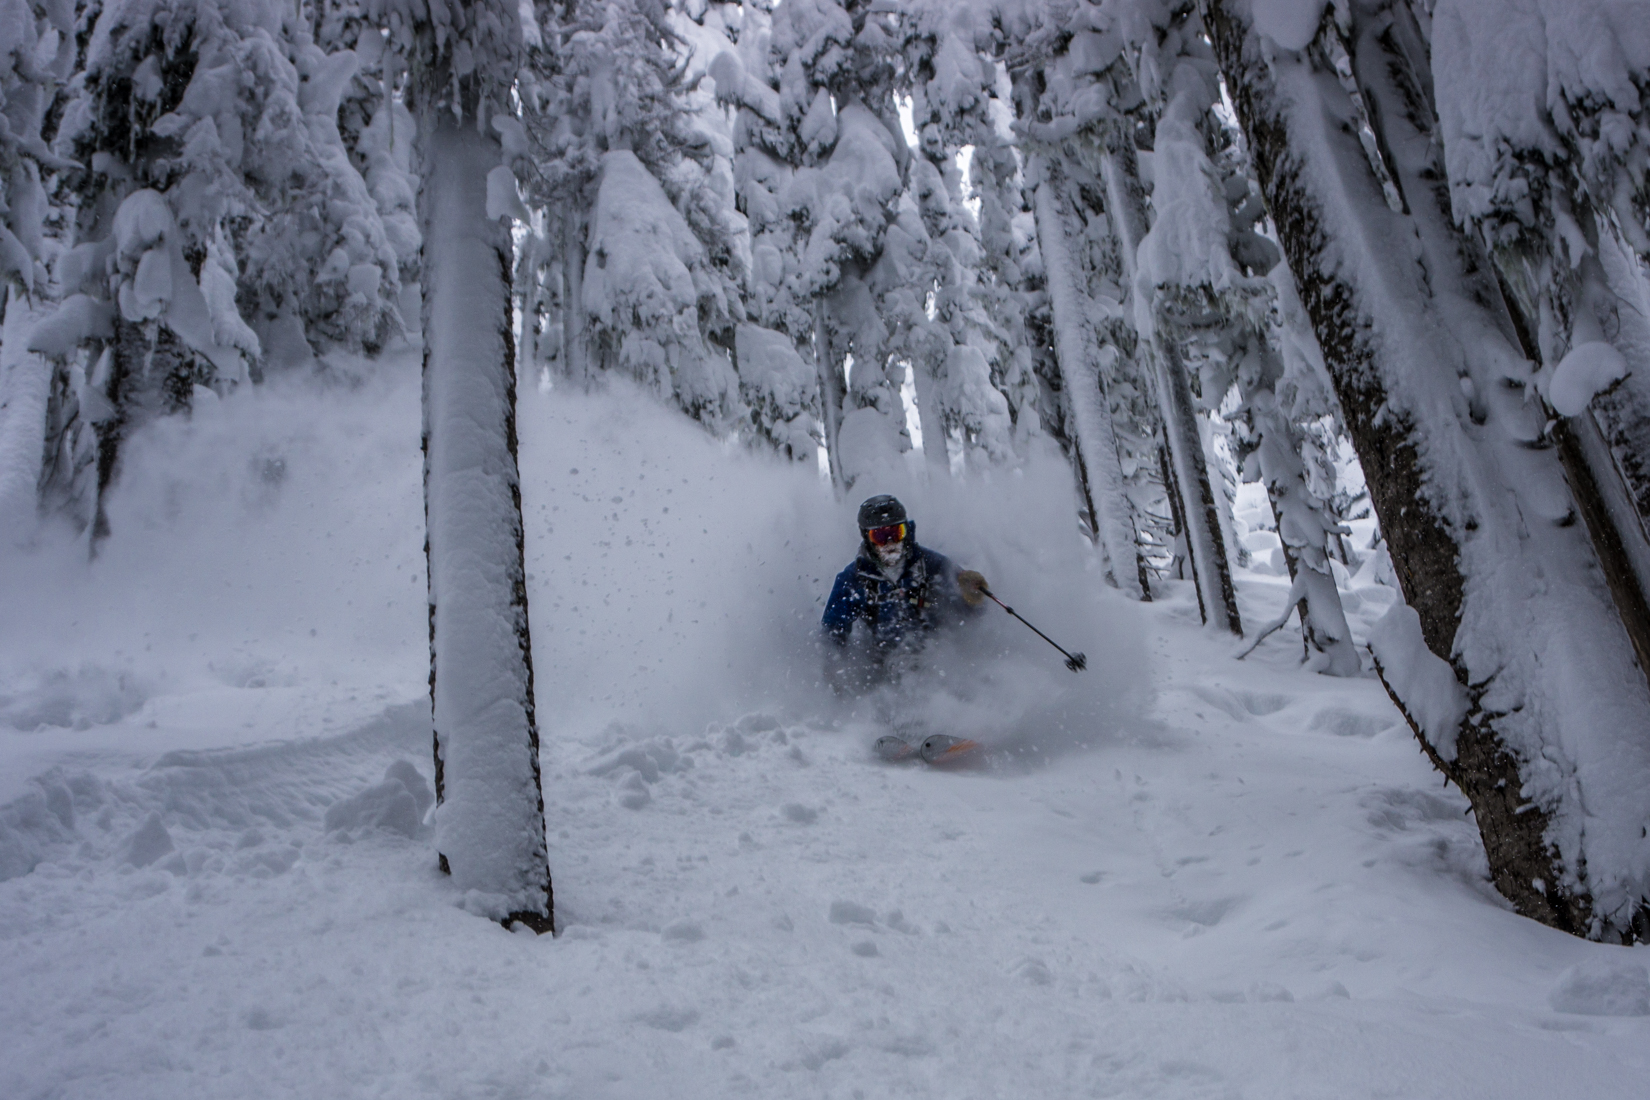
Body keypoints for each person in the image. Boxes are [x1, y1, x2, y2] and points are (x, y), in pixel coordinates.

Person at [821, 495, 988, 689]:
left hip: (936, 656)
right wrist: (835, 669)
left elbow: (968, 613)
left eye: (896, 532)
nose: (890, 543)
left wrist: (973, 598)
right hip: (881, 665)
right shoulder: (854, 579)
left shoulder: (930, 564)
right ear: (866, 538)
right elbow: (833, 630)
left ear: (906, 531)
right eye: (880, 536)